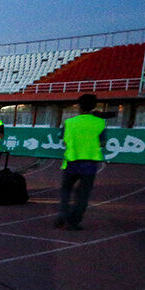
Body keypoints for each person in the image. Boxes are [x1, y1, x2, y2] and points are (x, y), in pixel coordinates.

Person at [56, 93, 106, 231]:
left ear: (78, 106)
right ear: (94, 106)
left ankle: (64, 217)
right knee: (83, 195)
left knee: (66, 192)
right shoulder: (100, 123)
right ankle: (74, 221)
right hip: (90, 163)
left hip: (72, 161)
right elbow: (103, 143)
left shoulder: (69, 123)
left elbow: (63, 139)